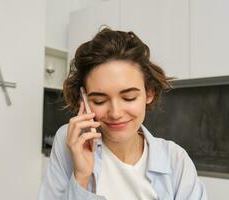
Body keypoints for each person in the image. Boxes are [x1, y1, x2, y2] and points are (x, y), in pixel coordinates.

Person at [39, 28, 207, 200]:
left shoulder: (176, 160)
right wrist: (81, 177)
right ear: (84, 99)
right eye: (99, 101)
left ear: (149, 93)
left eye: (129, 97)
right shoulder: (69, 143)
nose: (116, 113)